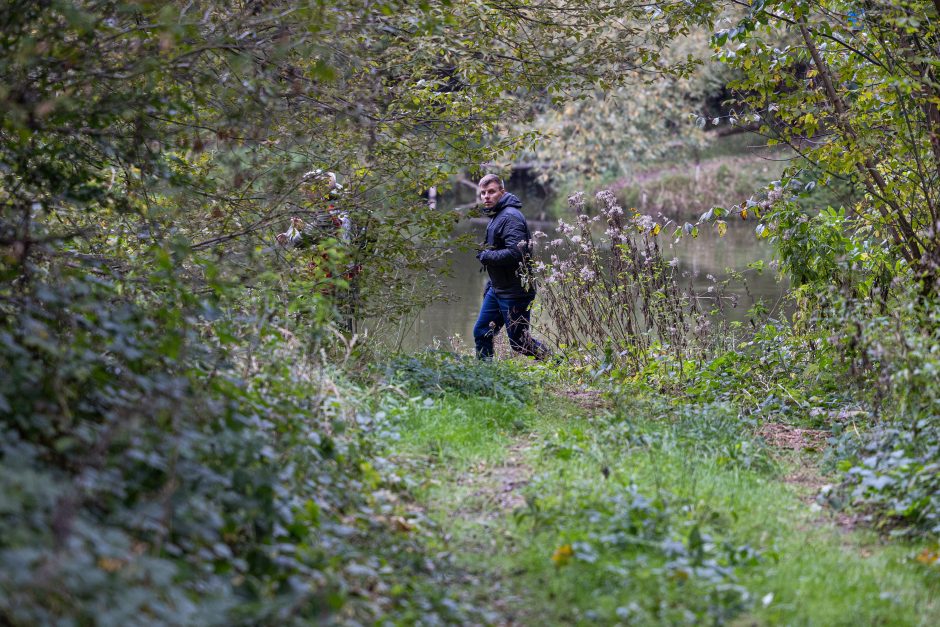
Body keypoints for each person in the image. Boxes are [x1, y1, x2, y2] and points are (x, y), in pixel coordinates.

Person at [473, 174, 548, 360]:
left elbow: (516, 253)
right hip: (498, 288)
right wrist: (491, 283)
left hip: (516, 290)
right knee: (482, 332)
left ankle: (558, 364)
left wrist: (486, 256)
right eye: (483, 193)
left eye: (491, 192)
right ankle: (483, 378)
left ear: (502, 192)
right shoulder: (498, 214)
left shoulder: (510, 216)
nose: (486, 196)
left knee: (519, 342)